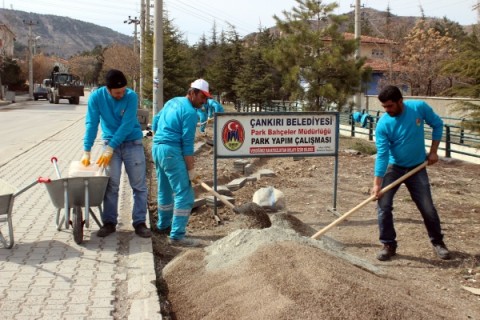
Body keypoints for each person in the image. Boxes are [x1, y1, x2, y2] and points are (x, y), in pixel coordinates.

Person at [372, 85, 450, 261]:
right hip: (394, 167)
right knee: (383, 205)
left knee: (427, 207)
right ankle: (388, 244)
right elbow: (382, 155)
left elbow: (438, 124)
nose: (387, 110)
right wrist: (377, 184)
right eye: (384, 107)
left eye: (390, 106)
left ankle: (438, 242)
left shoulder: (419, 108)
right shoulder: (383, 124)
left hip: (417, 167)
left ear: (401, 101)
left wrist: (433, 151)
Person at [80, 69, 151, 238]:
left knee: (139, 186)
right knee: (111, 186)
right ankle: (109, 222)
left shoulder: (131, 96)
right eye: (118, 92)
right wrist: (87, 150)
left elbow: (127, 125)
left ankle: (140, 222)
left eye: (123, 91)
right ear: (108, 89)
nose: (122, 94)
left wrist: (111, 147)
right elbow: (91, 123)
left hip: (132, 143)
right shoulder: (97, 98)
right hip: (110, 144)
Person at [151, 79, 212, 247]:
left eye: (206, 98)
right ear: (192, 93)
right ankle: (177, 236)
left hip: (157, 149)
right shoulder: (191, 113)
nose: (204, 101)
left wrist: (160, 138)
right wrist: (191, 171)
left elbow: (155, 120)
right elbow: (187, 146)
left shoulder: (172, 102)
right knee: (184, 194)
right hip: (171, 152)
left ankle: (163, 226)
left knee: (164, 189)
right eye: (202, 96)